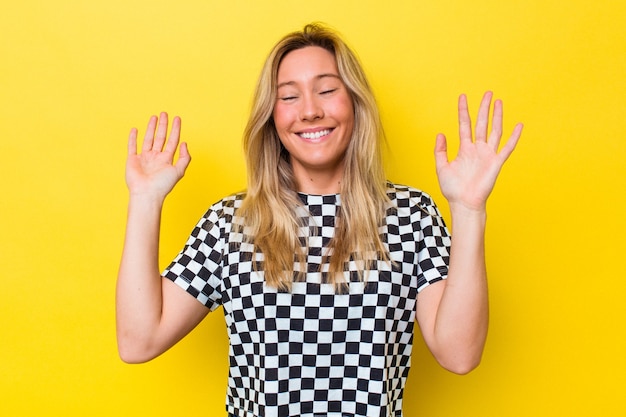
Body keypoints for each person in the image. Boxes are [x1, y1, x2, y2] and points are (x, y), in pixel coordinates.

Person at [116, 23, 523, 417]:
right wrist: (145, 200)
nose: (310, 111)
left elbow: (459, 354)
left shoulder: (411, 216)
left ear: (355, 102)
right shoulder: (232, 224)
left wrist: (469, 210)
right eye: (288, 97)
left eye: (327, 90)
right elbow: (138, 341)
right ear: (271, 117)